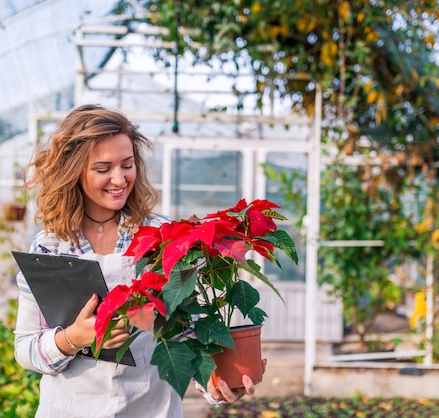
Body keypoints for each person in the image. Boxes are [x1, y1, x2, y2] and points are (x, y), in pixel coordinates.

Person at [13, 105, 262, 417]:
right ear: (74, 171)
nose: (119, 179)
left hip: (151, 408)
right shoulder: (49, 246)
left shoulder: (161, 235)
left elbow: (188, 333)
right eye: (103, 169)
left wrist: (214, 386)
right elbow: (25, 349)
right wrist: (72, 338)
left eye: (127, 165)